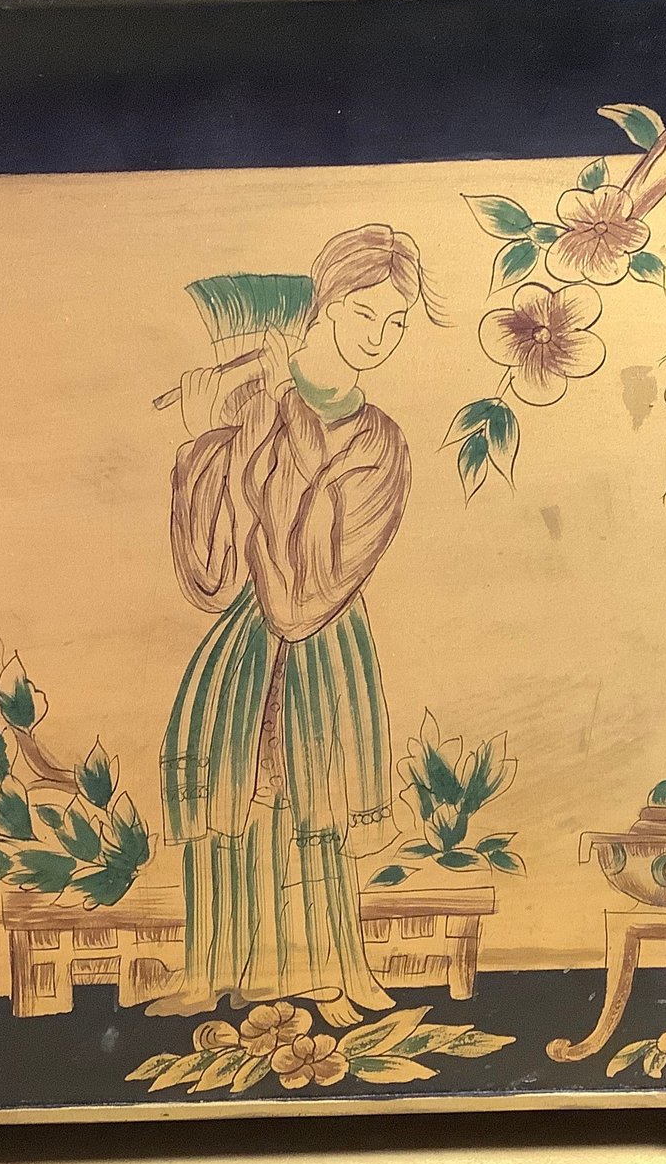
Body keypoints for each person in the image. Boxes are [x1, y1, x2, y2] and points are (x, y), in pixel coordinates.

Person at [156, 224, 447, 1025]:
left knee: (310, 806)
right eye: (366, 313)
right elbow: (209, 577)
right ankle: (213, 972)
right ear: (322, 307)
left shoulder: (381, 445)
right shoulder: (256, 410)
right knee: (227, 800)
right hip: (240, 648)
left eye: (396, 323)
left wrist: (255, 455)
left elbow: (306, 597)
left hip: (323, 647)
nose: (380, 336)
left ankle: (321, 972)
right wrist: (204, 443)